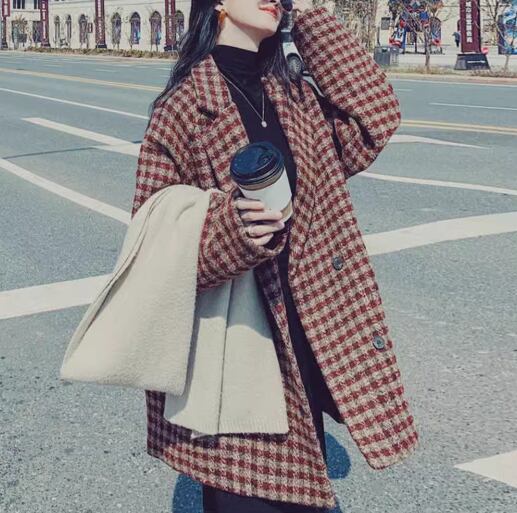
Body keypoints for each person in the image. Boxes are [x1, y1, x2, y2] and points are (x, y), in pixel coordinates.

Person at [131, 1, 419, 512]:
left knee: (300, 492)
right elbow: (153, 245)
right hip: (241, 342)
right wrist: (232, 231)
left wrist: (308, 15)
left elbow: (376, 117)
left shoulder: (292, 94)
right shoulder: (184, 108)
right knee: (249, 496)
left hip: (309, 333)